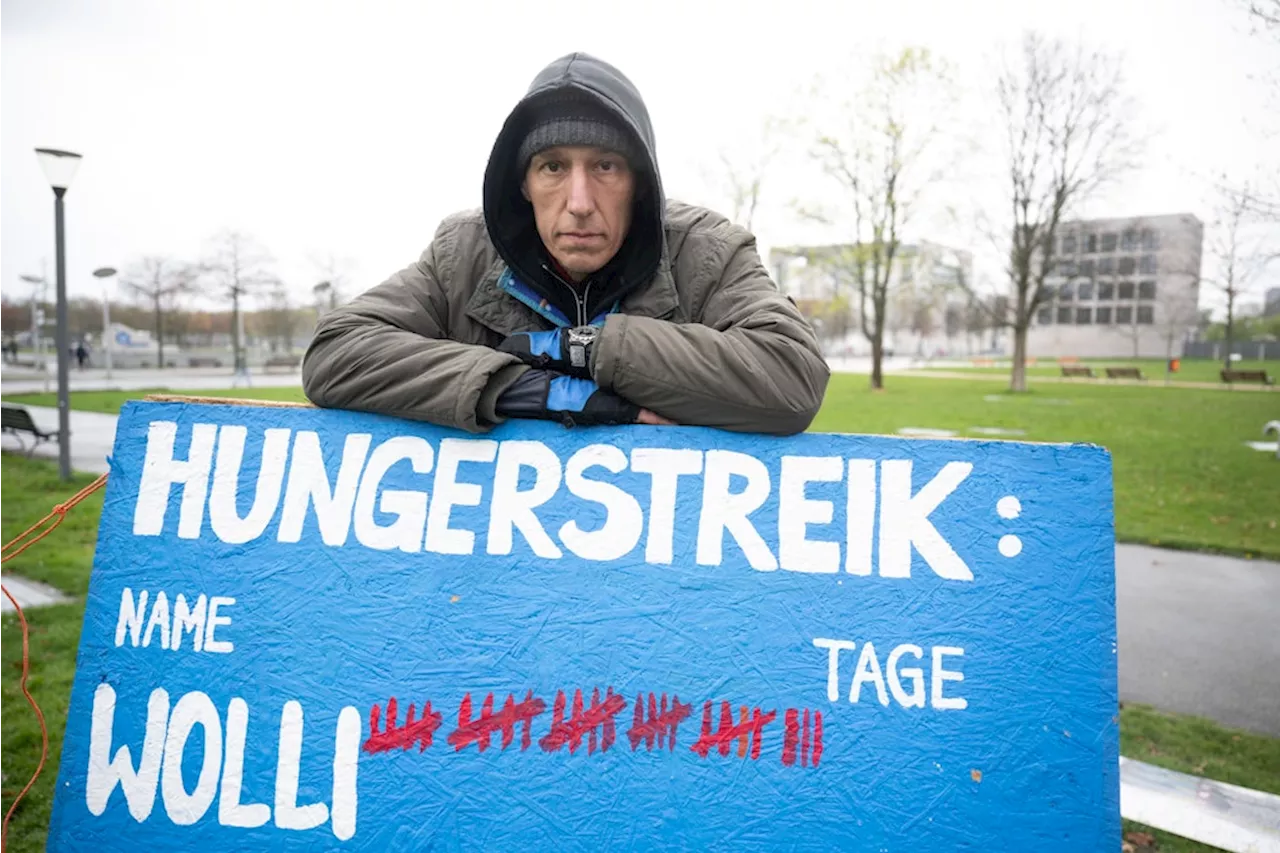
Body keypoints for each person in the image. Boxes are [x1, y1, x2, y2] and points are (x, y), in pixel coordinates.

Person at [302, 53, 829, 436]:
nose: (579, 201)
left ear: (640, 182)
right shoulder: (463, 254)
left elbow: (791, 378)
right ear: (524, 184)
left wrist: (586, 349)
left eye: (605, 166)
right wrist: (530, 389)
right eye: (553, 166)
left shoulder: (705, 252)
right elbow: (337, 352)